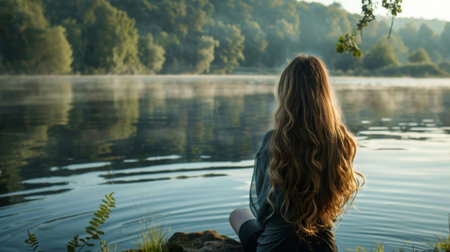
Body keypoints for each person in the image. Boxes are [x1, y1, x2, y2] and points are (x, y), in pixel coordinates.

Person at [229, 55, 365, 252]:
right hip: (324, 248)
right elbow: (334, 210)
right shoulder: (340, 140)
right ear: (324, 93)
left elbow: (262, 212)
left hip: (275, 247)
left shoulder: (273, 142)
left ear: (286, 93)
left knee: (238, 214)